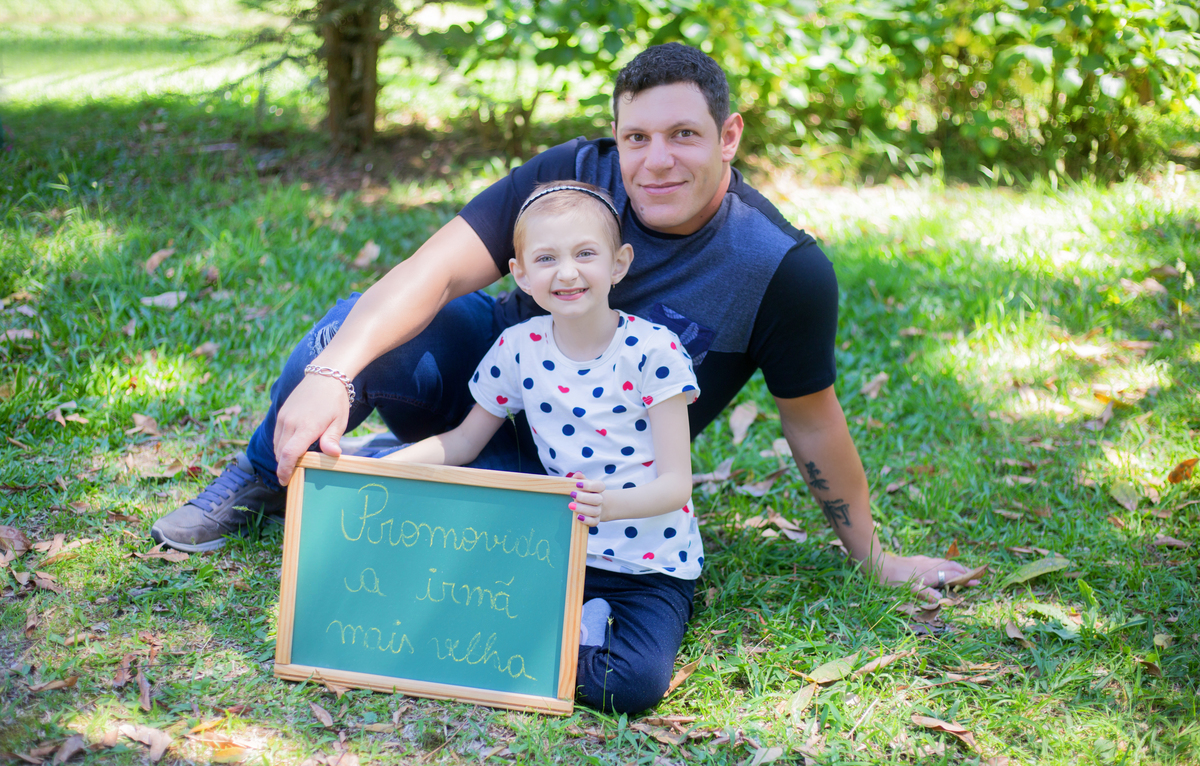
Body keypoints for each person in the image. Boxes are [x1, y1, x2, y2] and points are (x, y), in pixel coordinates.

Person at [151, 42, 975, 665]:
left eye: (685, 135)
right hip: (491, 401)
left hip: (591, 485)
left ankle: (395, 472)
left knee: (486, 543)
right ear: (615, 137)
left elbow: (813, 423)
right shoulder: (570, 174)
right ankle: (266, 475)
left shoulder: (782, 270)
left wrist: (872, 557)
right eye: (637, 137)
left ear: (729, 136)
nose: (657, 161)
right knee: (351, 333)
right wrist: (333, 374)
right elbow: (433, 271)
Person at [379, 180, 701, 711]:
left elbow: (675, 485)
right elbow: (462, 443)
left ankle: (582, 631)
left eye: (585, 254)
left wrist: (611, 504)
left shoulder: (653, 351)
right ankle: (569, 626)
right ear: (521, 274)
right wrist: (387, 467)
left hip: (651, 563)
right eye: (546, 258)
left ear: (619, 264)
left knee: (632, 686)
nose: (567, 272)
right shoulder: (519, 347)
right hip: (557, 550)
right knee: (460, 630)